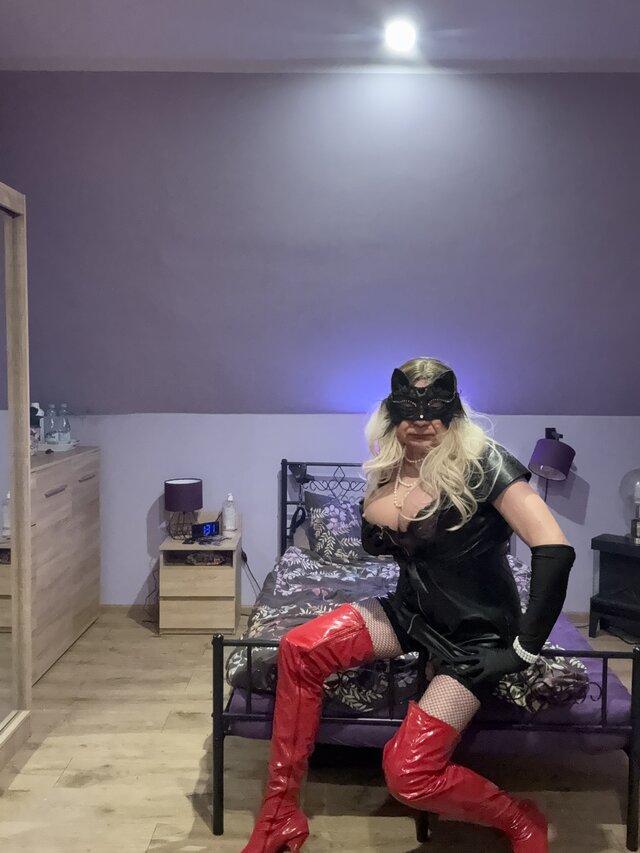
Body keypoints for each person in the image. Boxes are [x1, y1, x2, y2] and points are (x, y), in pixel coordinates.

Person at [241, 356, 574, 853]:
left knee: (410, 773)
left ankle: (521, 820)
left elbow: (555, 550)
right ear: (390, 411)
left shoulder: (485, 464)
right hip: (411, 614)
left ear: (454, 410)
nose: (422, 418)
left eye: (435, 405)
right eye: (409, 407)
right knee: (299, 648)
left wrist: (522, 650)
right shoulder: (390, 469)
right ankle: (280, 815)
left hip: (475, 636)